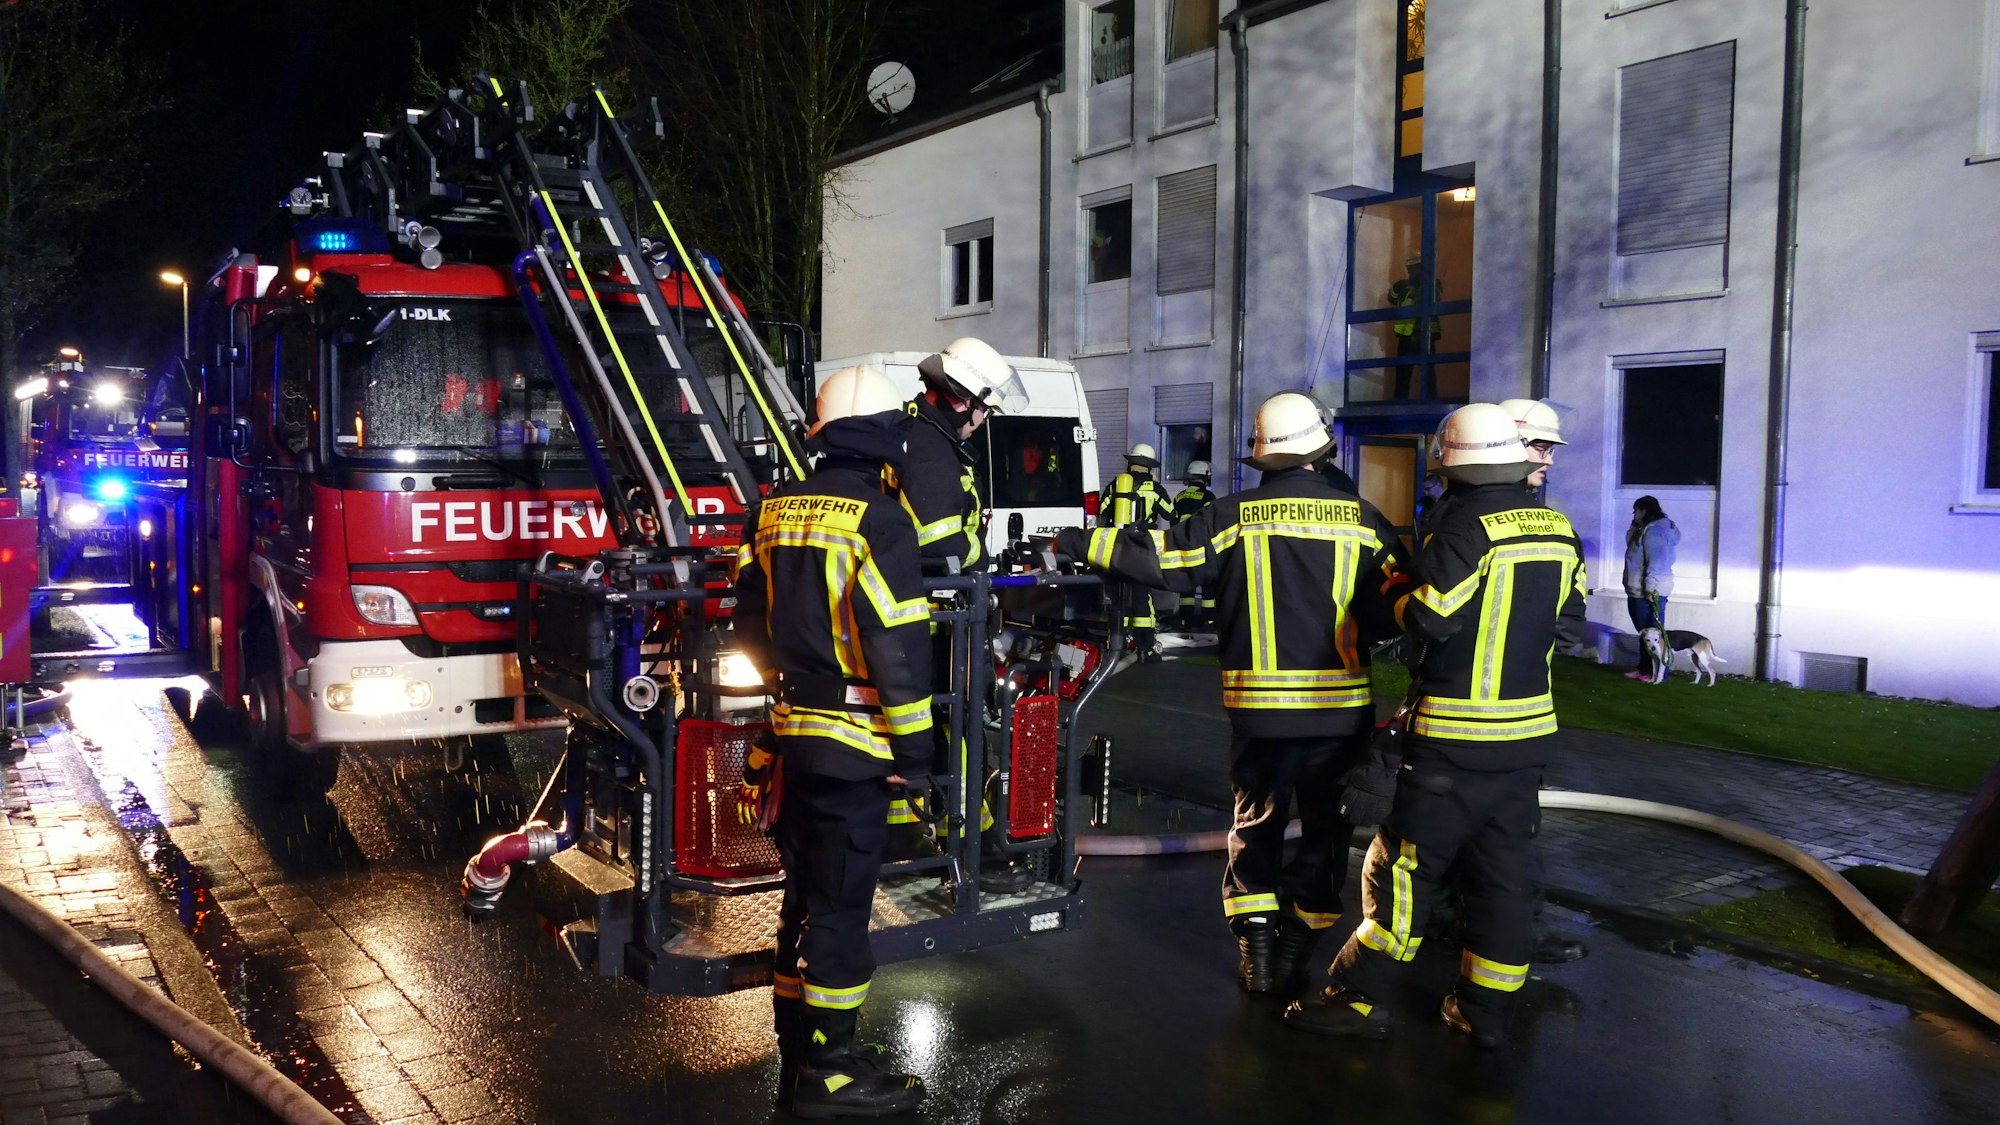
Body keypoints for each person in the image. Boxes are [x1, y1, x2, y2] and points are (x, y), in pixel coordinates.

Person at [1058, 392, 1408, 995]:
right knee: (1325, 831)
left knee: (1257, 827)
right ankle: (1301, 947)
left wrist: (1076, 541)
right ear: (1319, 453)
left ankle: (1260, 957)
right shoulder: (1365, 520)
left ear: (1263, 455)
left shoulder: (1234, 516)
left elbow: (1161, 560)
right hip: (1340, 713)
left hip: (1263, 716)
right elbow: (1396, 611)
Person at [1285, 401, 1586, 1048]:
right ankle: (1486, 1010)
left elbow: (1429, 617)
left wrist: (1393, 587)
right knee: (1504, 876)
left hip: (1453, 740)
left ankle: (1358, 997)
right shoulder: (1559, 529)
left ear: (1450, 465)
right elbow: (1570, 616)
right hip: (1527, 739)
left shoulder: (1466, 528)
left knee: (1401, 869)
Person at [732, 364, 934, 1117]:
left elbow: (746, 620)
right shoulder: (881, 517)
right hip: (857, 742)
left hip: (795, 731)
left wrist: (791, 683)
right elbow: (897, 650)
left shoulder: (774, 507)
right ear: (885, 434)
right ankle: (830, 1076)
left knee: (804, 903)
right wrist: (916, 755)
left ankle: (806, 1054)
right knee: (843, 911)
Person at [900, 336, 1037, 892]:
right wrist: (988, 566)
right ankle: (967, 849)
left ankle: (955, 836)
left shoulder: (919, 435)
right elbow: (937, 546)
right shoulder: (931, 452)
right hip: (933, 618)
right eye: (985, 408)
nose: (985, 420)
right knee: (951, 725)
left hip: (925, 617)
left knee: (949, 724)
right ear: (962, 399)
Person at [1100, 442, 1172, 659]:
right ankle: (1145, 646)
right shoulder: (1156, 490)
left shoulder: (1116, 485)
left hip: (1118, 544)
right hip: (1143, 545)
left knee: (1119, 593)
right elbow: (1170, 515)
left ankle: (1118, 643)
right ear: (1150, 467)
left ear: (1130, 463)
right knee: (1142, 594)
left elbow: (1102, 512)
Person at [1623, 495, 1680, 681]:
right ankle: (1644, 668)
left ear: (1644, 510)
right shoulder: (1646, 529)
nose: (1634, 514)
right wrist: (1634, 527)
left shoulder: (1655, 532)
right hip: (1639, 588)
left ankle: (1657, 672)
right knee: (1645, 634)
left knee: (1653, 634)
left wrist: (1651, 589)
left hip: (1647, 591)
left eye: (1636, 511)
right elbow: (1632, 547)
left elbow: (1656, 562)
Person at [1168, 459, 1218, 628]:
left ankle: (1186, 619)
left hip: (1182, 544)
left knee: (1187, 582)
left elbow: (1172, 521)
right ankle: (1209, 619)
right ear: (1205, 477)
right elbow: (1212, 522)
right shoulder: (1208, 496)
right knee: (1208, 582)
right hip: (1202, 545)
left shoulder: (1179, 497)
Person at [1386, 254, 1442, 398]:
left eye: (1417, 268)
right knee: (1403, 372)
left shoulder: (1433, 283)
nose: (1414, 271)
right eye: (1412, 268)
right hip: (1407, 336)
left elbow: (1435, 297)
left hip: (1426, 334)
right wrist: (1403, 287)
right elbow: (1391, 298)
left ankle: (1430, 401)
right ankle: (1400, 402)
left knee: (1428, 372)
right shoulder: (1402, 286)